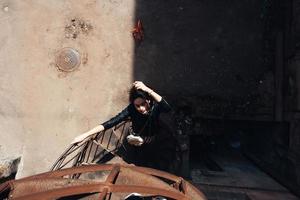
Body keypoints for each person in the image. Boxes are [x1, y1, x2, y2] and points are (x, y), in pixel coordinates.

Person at [72, 81, 175, 171]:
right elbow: (110, 123)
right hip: (136, 138)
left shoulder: (155, 107)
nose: (141, 108)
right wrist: (85, 135)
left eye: (143, 104)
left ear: (148, 100)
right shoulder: (131, 110)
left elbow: (167, 107)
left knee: (152, 153)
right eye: (137, 106)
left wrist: (148, 90)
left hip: (152, 137)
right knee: (139, 156)